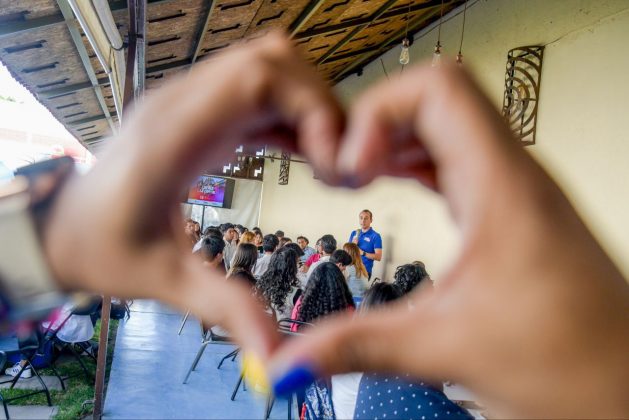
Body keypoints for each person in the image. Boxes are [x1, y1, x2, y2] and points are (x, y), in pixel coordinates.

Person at [3, 34, 626, 419]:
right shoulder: (337, 271)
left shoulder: (342, 257)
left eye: (365, 217)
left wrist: (47, 237)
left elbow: (365, 262)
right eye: (360, 218)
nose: (363, 220)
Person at [292, 262, 355, 332]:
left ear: (312, 282)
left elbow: (294, 327)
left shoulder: (302, 301)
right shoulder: (347, 308)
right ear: (340, 283)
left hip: (301, 338)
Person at [255, 246, 302, 321]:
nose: (298, 266)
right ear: (292, 268)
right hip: (284, 327)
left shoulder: (260, 285)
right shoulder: (295, 293)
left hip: (260, 325)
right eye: (297, 263)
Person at [349, 210, 382, 279]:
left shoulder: (375, 236)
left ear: (371, 220)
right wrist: (352, 246)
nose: (363, 221)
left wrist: (362, 253)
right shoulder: (354, 233)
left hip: (364, 271)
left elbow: (378, 257)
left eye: (366, 218)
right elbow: (347, 253)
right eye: (361, 218)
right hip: (351, 269)